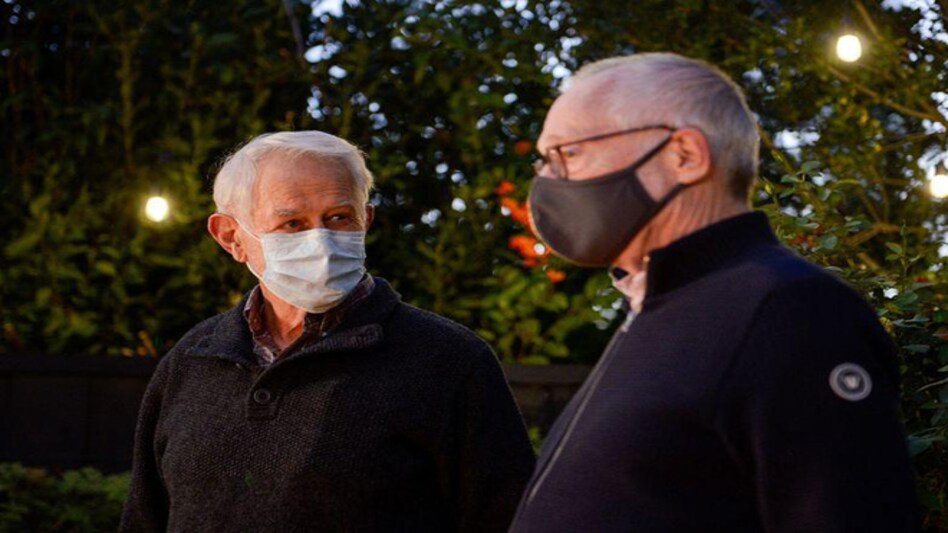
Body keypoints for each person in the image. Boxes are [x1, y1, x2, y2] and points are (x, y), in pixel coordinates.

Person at [509, 53, 919, 532]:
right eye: (545, 160)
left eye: (568, 153)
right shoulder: (660, 305)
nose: (547, 180)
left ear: (684, 155)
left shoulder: (790, 310)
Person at [120, 131, 535, 532]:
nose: (321, 240)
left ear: (366, 220)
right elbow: (144, 519)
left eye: (339, 217)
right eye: (293, 224)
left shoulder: (451, 362)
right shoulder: (192, 361)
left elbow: (509, 519)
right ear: (232, 238)